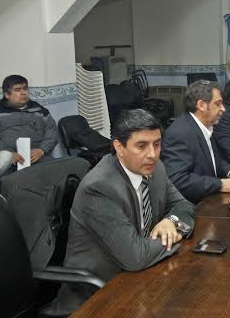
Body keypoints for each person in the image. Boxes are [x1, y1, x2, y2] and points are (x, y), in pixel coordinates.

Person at [54, 109, 195, 312]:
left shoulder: (155, 168)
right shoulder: (99, 188)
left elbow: (184, 205)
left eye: (157, 144)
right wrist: (176, 233)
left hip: (143, 278)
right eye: (141, 146)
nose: (152, 154)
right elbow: (135, 257)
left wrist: (171, 221)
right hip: (97, 296)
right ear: (119, 147)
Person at [160, 80, 230, 203]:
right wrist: (221, 184)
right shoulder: (179, 133)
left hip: (210, 199)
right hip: (193, 206)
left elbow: (214, 161)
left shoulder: (205, 126)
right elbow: (178, 180)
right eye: (218, 104)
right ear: (201, 105)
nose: (223, 109)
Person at [0, 75, 59, 172]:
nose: (23, 93)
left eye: (25, 88)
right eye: (17, 90)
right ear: (7, 95)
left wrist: (42, 150)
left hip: (38, 157)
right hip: (10, 161)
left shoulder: (39, 109)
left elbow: (52, 130)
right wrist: (9, 153)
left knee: (64, 169)